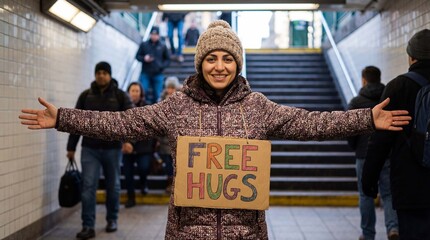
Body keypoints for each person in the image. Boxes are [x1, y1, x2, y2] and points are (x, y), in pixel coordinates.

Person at [20, 20, 411, 240]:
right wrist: (63, 119)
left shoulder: (258, 108)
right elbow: (122, 122)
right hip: (188, 233)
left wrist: (365, 119)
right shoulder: (176, 107)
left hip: (247, 233)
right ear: (199, 63)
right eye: (211, 59)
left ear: (237, 64)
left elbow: (311, 123)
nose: (219, 66)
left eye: (228, 59)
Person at [362, 29, 430, 239]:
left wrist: (369, 179)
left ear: (411, 57)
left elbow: (381, 140)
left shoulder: (399, 86)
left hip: (411, 185)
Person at [65, 62, 133, 239]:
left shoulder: (120, 96)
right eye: (98, 73)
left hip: (113, 149)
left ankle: (112, 219)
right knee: (88, 187)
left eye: (104, 72)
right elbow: (75, 122)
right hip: (90, 149)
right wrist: (71, 147)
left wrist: (127, 141)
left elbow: (131, 121)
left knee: (113, 187)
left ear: (109, 75)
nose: (101, 76)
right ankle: (88, 225)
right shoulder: (86, 96)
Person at [347, 66, 399, 240]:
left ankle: (368, 233)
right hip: (387, 153)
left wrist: (354, 147)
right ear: (379, 78)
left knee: (365, 194)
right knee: (388, 193)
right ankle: (393, 229)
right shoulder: (389, 99)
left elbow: (350, 130)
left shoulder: (356, 101)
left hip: (364, 154)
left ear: (364, 80)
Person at [122, 82, 156, 208]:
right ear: (128, 92)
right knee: (128, 173)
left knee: (143, 168)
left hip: (143, 147)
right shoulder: (123, 107)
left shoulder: (147, 107)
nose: (135, 93)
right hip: (127, 147)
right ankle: (131, 198)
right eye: (132, 91)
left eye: (137, 91)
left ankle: (143, 183)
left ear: (141, 93)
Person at [157, 76, 181, 193]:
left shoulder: (182, 100)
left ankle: (175, 185)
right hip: (164, 141)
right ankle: (169, 184)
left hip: (177, 141)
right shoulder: (161, 100)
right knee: (167, 165)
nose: (170, 90)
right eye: (168, 88)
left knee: (176, 165)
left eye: (172, 88)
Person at [135, 26, 171, 104]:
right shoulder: (144, 44)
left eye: (156, 34)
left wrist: (161, 66)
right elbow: (137, 56)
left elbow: (168, 59)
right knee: (143, 92)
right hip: (146, 72)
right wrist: (144, 58)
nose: (154, 36)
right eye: (152, 34)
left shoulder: (163, 46)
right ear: (150, 34)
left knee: (157, 95)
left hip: (158, 74)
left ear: (158, 35)